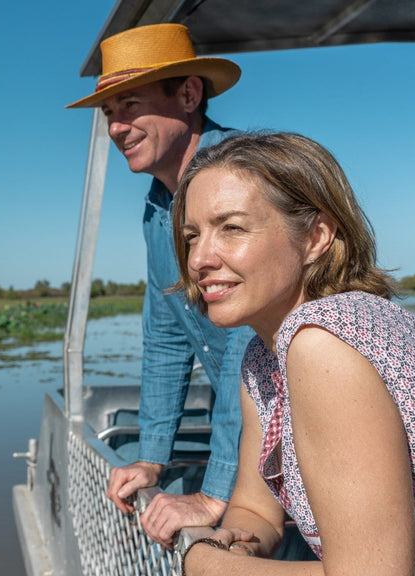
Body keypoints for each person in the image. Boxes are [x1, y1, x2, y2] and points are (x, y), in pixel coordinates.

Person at [172, 131, 415, 575]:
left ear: (317, 236)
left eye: (232, 228)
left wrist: (203, 564)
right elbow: (254, 510)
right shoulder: (263, 356)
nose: (199, 258)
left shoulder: (323, 341)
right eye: (191, 235)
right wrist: (236, 547)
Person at [67, 23, 255, 547]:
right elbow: (167, 339)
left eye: (129, 104)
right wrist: (151, 456)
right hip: (267, 438)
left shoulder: (243, 179)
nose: (117, 127)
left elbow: (250, 345)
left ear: (189, 94)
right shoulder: (157, 208)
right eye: (109, 113)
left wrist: (215, 491)